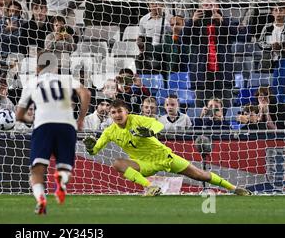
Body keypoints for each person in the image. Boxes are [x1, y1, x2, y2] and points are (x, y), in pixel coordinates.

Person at [83, 99, 252, 196]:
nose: (117, 115)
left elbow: (158, 125)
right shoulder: (109, 131)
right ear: (110, 115)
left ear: (126, 111)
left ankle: (234, 188)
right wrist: (91, 148)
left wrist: (149, 132)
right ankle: (149, 187)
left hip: (165, 157)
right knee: (118, 163)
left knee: (200, 175)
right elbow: (95, 150)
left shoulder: (138, 119)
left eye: (120, 111)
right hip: (144, 164)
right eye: (113, 113)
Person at [15, 50, 91, 214]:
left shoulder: (32, 82)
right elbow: (86, 93)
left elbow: (19, 115)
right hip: (67, 125)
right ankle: (61, 181)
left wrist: (31, 121)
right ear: (55, 67)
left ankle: (41, 199)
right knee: (64, 168)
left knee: (37, 169)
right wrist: (80, 119)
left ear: (38, 67)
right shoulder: (66, 79)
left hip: (44, 125)